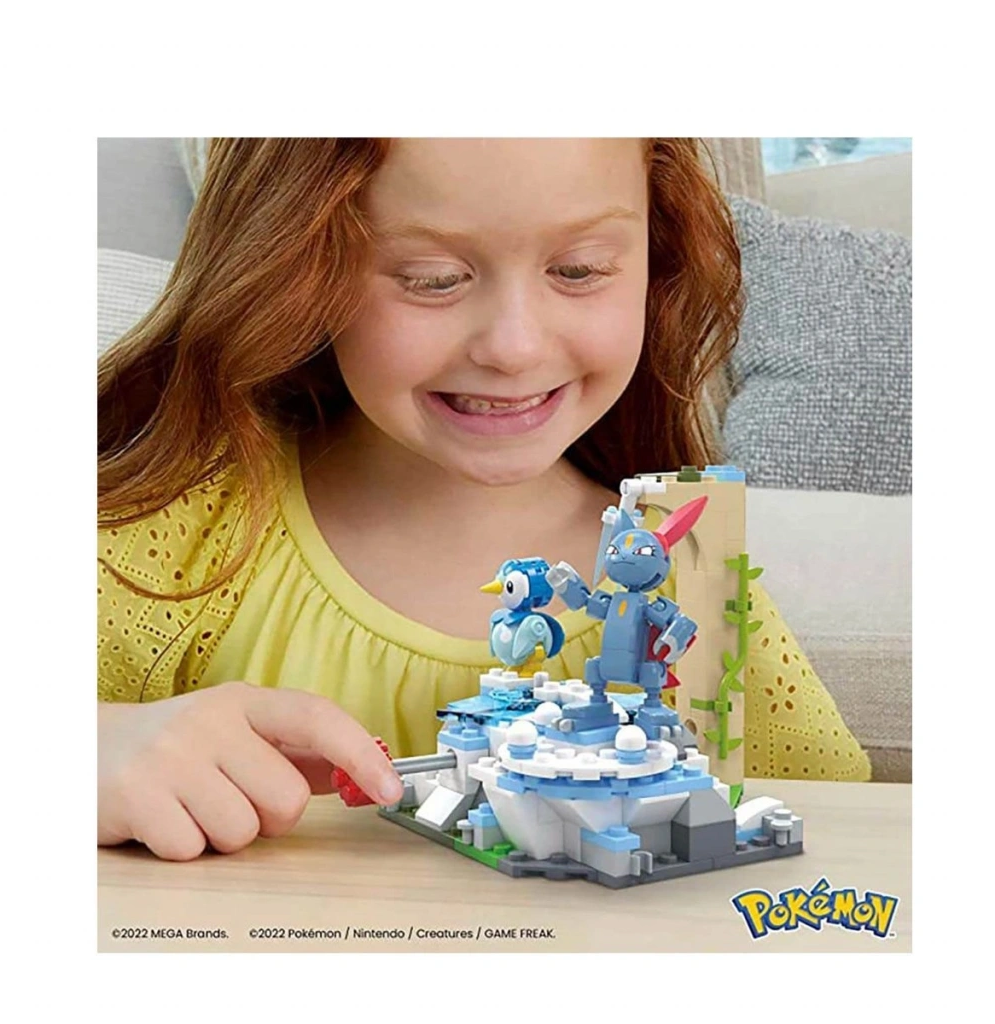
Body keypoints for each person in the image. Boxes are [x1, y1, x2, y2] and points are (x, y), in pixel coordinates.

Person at [98, 138, 870, 862]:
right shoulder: (180, 540)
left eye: (580, 270)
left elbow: (847, 844)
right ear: (298, 264)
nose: (514, 347)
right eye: (433, 278)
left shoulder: (688, 568)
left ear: (655, 261)